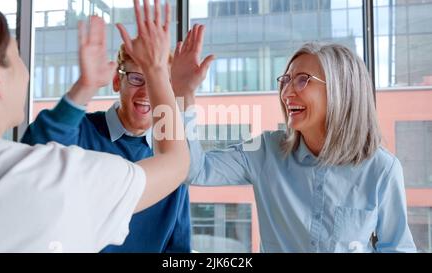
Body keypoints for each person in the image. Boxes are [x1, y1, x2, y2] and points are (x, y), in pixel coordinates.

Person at [0, 0, 189, 252]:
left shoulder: (15, 170)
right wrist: (159, 73)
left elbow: (177, 248)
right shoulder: (63, 164)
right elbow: (176, 163)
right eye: (17, 57)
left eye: (157, 86)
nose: (27, 73)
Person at [178, 42, 417, 253]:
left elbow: (397, 248)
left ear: (341, 90)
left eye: (303, 80)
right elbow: (193, 168)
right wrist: (183, 93)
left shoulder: (382, 169)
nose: (286, 93)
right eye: (286, 80)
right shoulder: (265, 150)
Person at [21, 10, 214, 252]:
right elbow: (35, 153)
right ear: (116, 81)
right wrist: (84, 87)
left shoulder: (170, 153)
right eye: (136, 79)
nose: (145, 93)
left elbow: (177, 247)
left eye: (155, 82)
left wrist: (185, 94)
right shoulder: (78, 131)